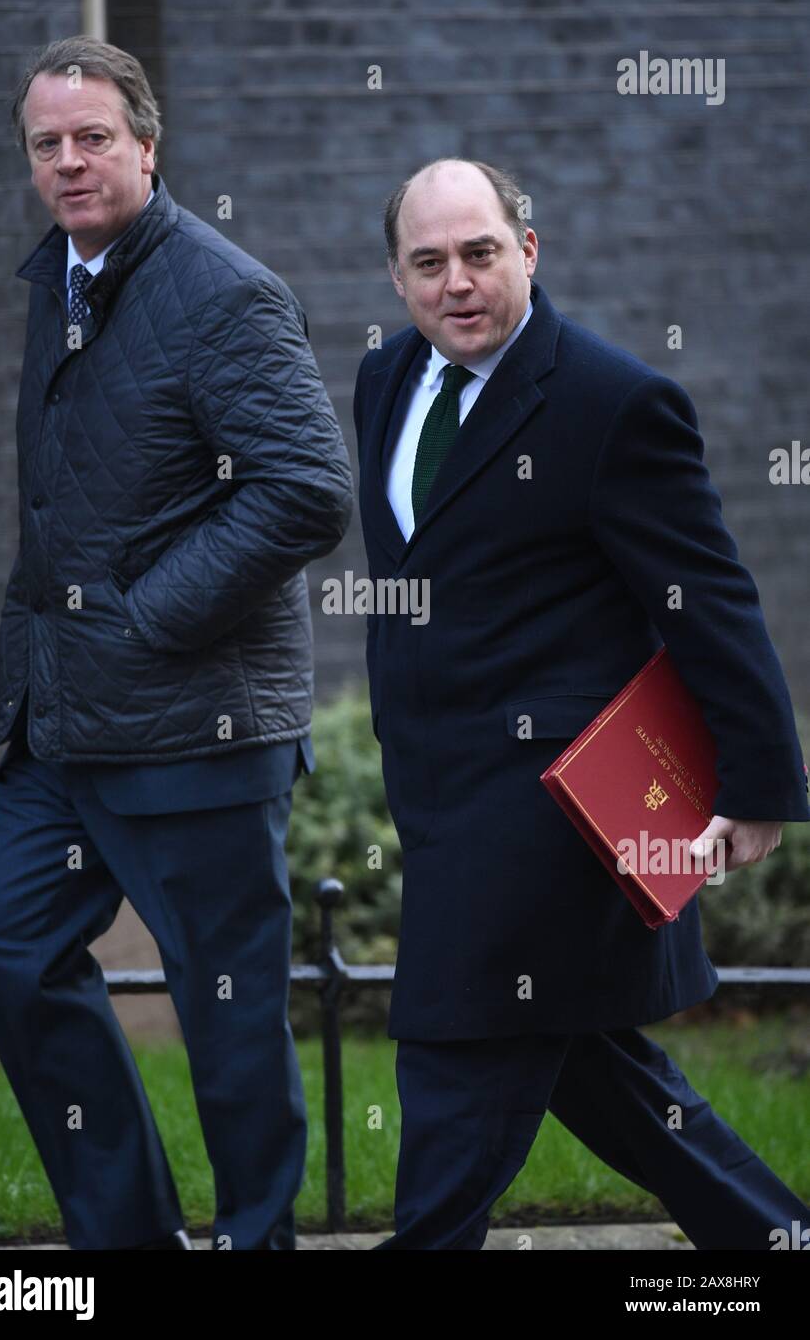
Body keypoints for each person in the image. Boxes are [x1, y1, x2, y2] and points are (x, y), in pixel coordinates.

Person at [353, 155, 810, 1250]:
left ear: (529, 252)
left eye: (480, 254)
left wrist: (755, 785)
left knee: (456, 1063)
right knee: (600, 1076)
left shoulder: (613, 403)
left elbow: (708, 599)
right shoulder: (384, 382)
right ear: (398, 278)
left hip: (552, 817)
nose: (457, 282)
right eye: (429, 263)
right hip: (439, 793)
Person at [0, 36, 353, 1251]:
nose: (70, 161)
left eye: (93, 137)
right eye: (46, 144)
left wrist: (150, 618)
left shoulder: (220, 288)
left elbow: (304, 488)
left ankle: (257, 1241)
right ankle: (124, 1236)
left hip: (198, 729)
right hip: (68, 728)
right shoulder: (64, 278)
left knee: (226, 1012)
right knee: (8, 947)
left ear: (145, 139)